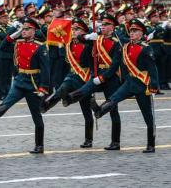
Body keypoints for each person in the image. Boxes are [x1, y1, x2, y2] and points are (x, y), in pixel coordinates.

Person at [91, 18, 159, 153]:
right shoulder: (126, 47)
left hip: (142, 84)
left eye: (135, 31)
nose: (132, 33)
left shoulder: (146, 48)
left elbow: (153, 69)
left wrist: (154, 85)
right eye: (131, 31)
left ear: (141, 33)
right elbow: (122, 64)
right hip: (129, 82)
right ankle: (100, 111)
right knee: (114, 98)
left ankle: (150, 144)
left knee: (147, 115)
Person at [65, 13, 123, 150]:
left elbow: (115, 65)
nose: (103, 27)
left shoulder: (117, 43)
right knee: (85, 89)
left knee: (113, 109)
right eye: (102, 24)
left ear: (112, 27)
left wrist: (103, 77)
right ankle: (71, 97)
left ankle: (115, 142)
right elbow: (79, 38)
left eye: (106, 24)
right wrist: (88, 36)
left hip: (111, 77)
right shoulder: (96, 39)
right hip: (97, 74)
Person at [0, 17, 50, 153]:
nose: (24, 31)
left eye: (27, 29)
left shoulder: (40, 47)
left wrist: (44, 87)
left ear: (34, 31)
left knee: (36, 115)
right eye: (23, 28)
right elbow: (2, 46)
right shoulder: (18, 43)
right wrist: (15, 34)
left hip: (33, 83)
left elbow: (46, 69)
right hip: (19, 81)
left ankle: (39, 145)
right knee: (5, 104)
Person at [41, 18, 95, 148]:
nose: (74, 31)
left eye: (77, 29)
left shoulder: (89, 45)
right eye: (74, 29)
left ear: (84, 31)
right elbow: (49, 32)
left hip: (85, 78)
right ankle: (47, 104)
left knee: (86, 111)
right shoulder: (69, 43)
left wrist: (90, 39)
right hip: (72, 75)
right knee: (62, 88)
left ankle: (89, 139)